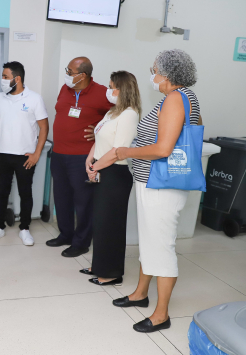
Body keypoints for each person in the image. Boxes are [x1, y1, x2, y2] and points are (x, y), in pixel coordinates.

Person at [113, 49, 202, 333]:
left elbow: (164, 148)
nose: (152, 75)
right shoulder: (181, 97)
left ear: (167, 74)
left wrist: (126, 151)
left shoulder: (176, 99)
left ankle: (161, 315)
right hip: (153, 182)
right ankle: (140, 294)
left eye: (154, 69)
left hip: (161, 185)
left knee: (161, 247)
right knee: (151, 241)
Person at [78, 71, 141, 286]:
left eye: (112, 86)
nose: (109, 90)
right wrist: (90, 159)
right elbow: (99, 137)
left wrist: (95, 166)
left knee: (111, 225)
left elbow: (118, 150)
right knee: (100, 222)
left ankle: (112, 272)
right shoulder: (113, 112)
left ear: (123, 89)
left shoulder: (129, 114)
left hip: (114, 174)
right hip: (100, 168)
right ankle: (98, 266)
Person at [46, 57, 113, 257]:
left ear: (82, 75)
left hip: (82, 157)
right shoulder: (64, 89)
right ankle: (65, 234)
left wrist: (100, 130)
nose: (67, 75)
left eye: (70, 71)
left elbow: (117, 116)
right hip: (58, 153)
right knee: (61, 197)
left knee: (83, 201)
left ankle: (82, 242)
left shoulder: (102, 93)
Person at [0, 61, 49, 245]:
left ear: (16, 79)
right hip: (3, 154)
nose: (2, 80)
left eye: (5, 77)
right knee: (1, 192)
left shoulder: (34, 98)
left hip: (25, 156)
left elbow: (44, 128)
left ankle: (25, 229)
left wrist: (37, 153)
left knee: (25, 193)